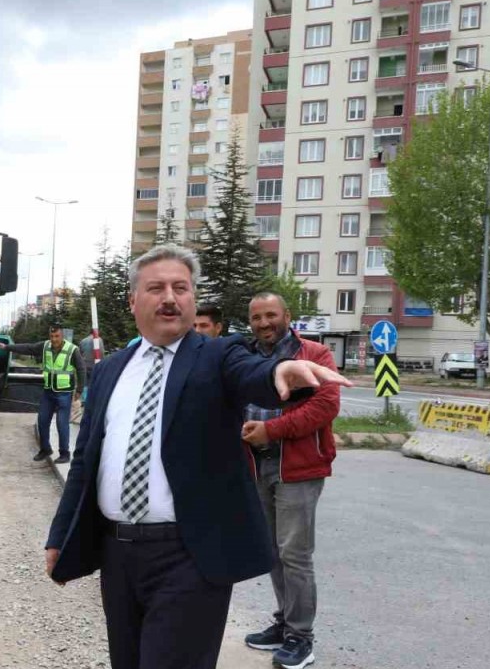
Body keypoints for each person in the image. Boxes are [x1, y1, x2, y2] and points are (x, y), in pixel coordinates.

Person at [43, 245, 351, 669]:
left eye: (181, 288)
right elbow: (85, 461)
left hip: (187, 556)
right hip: (118, 554)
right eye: (156, 287)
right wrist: (61, 535)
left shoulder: (218, 355)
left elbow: (253, 374)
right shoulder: (112, 368)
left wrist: (279, 372)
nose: (171, 297)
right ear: (133, 300)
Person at [241, 293, 339, 669]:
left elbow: (326, 406)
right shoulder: (246, 355)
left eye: (271, 315)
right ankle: (284, 624)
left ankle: (302, 637)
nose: (264, 323)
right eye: (256, 317)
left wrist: (272, 430)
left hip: (297, 466)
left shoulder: (314, 354)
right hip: (254, 465)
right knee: (272, 551)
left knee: (295, 555)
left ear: (287, 316)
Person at [0, 326, 87, 464]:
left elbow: (81, 370)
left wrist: (80, 390)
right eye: (52, 336)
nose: (54, 339)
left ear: (62, 336)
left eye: (57, 336)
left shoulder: (72, 350)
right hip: (48, 392)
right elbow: (28, 348)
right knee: (42, 421)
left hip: (64, 393)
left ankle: (65, 453)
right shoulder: (45, 346)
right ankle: (45, 449)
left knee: (62, 423)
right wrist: (7, 347)